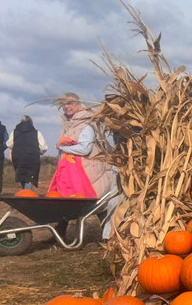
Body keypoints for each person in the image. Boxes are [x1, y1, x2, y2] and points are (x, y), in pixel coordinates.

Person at [53, 93, 119, 239]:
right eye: (64, 104)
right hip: (74, 172)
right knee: (66, 201)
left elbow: (85, 149)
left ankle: (110, 236)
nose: (66, 106)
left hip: (90, 171)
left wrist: (62, 148)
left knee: (97, 203)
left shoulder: (86, 123)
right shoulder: (68, 124)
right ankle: (59, 234)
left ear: (79, 104)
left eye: (70, 103)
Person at [7, 115, 47, 190]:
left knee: (22, 176)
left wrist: (16, 148)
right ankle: (27, 193)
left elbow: (9, 144)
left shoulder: (14, 132)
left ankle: (25, 192)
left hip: (18, 157)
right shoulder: (37, 133)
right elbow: (43, 147)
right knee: (30, 177)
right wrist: (38, 152)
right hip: (32, 157)